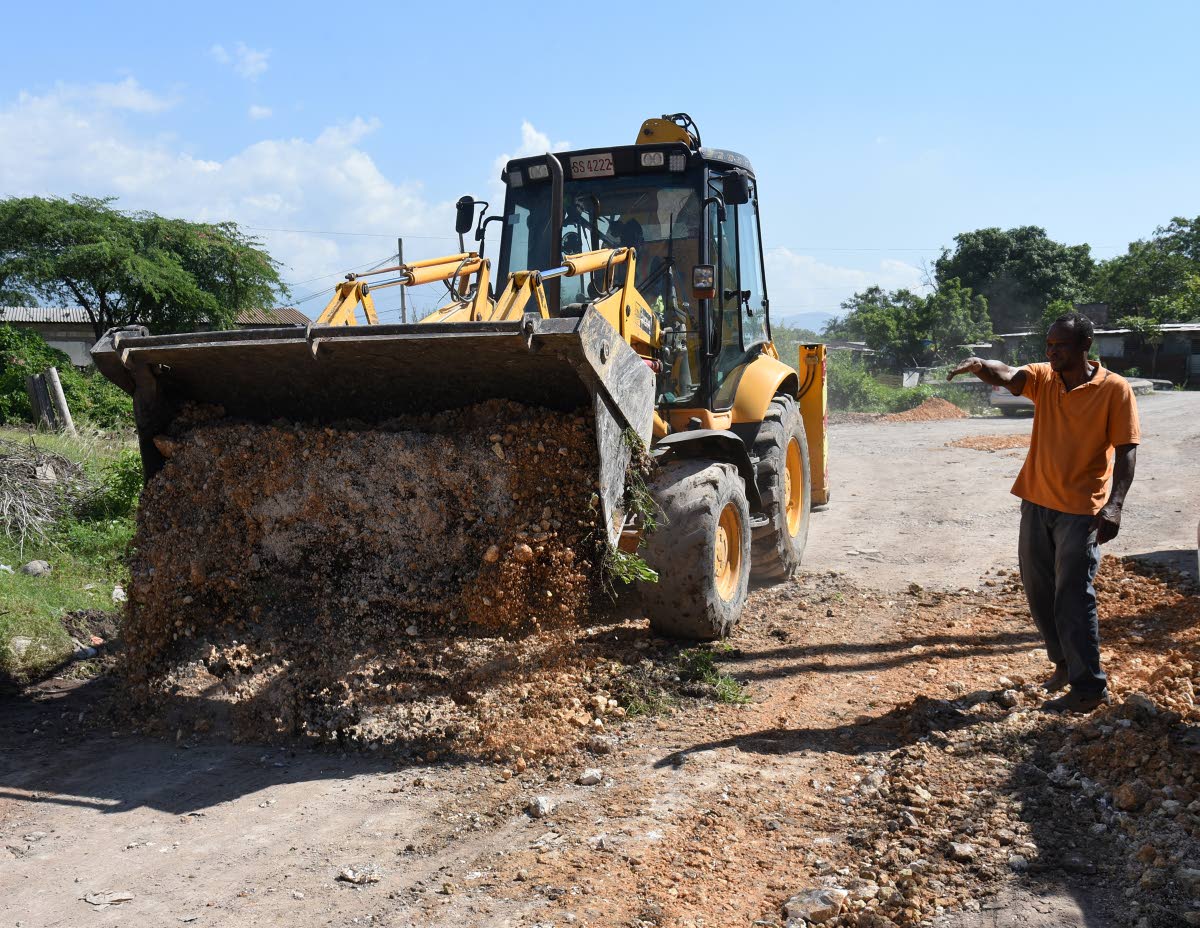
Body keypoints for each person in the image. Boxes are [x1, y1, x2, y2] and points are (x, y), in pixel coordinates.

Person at [948, 312, 1140, 712]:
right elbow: (1008, 373)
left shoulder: (1115, 390)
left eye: (1060, 346)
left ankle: (1088, 689)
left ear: (1085, 346)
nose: (1052, 352)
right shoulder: (1044, 378)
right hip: (1036, 501)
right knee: (1039, 592)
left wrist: (1115, 505)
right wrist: (982, 366)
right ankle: (1064, 665)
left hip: (1081, 510)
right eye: (1049, 345)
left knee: (1073, 596)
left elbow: (1126, 450)